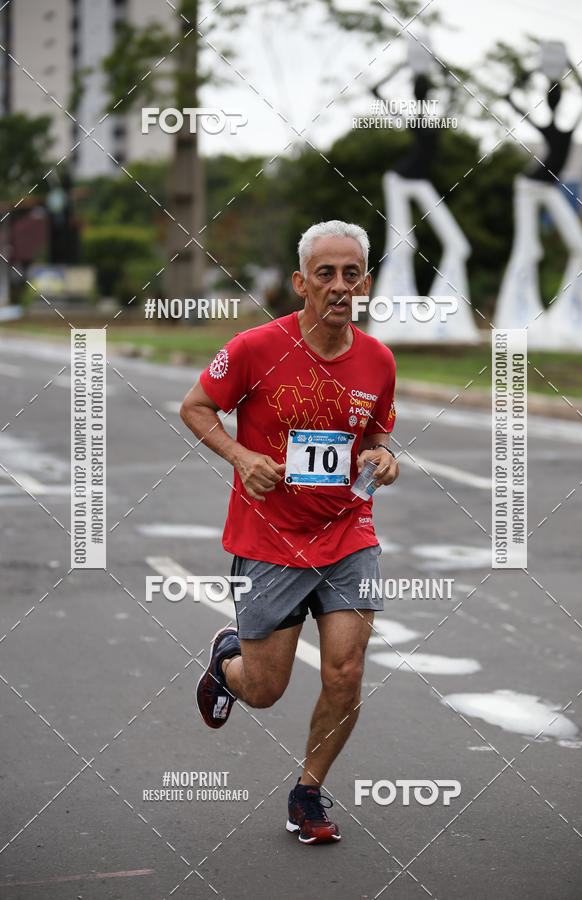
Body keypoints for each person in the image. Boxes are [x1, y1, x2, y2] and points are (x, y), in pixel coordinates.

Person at [180, 220, 399, 844]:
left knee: (346, 671)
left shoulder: (378, 359)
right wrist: (241, 457)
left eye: (351, 273)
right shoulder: (254, 347)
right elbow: (195, 406)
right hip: (270, 541)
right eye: (325, 274)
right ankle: (229, 663)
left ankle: (308, 791)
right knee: (267, 690)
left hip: (348, 534)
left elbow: (377, 433)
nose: (339, 286)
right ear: (301, 282)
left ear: (365, 283)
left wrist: (384, 457)